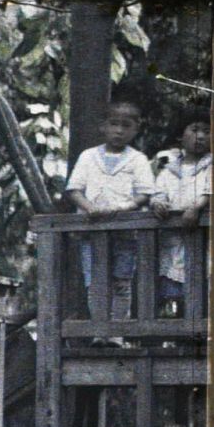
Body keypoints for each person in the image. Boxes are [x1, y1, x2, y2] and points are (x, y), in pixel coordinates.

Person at [64, 99, 156, 321]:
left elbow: (144, 193)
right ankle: (99, 330)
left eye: (126, 126)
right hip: (92, 230)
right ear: (103, 126)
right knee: (95, 281)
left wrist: (124, 208)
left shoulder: (138, 160)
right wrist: (90, 208)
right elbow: (74, 190)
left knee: (121, 281)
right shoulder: (88, 156)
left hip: (125, 232)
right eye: (114, 124)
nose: (119, 131)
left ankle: (117, 332)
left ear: (136, 129)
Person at [151, 117, 211, 317]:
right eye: (195, 129)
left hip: (207, 238)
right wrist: (158, 203)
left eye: (206, 131)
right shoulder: (169, 170)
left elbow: (211, 190)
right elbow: (158, 192)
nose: (201, 136)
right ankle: (175, 334)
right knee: (173, 282)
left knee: (206, 281)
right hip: (174, 238)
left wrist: (196, 207)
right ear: (180, 136)